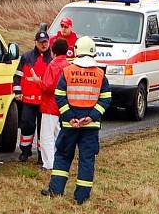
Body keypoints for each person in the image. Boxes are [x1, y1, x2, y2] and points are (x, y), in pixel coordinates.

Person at [41, 36, 111, 204]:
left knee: (63, 156)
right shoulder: (100, 74)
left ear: (77, 51)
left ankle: (55, 190)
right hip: (90, 126)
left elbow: (59, 96)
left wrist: (70, 117)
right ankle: (82, 197)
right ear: (93, 52)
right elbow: (106, 98)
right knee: (87, 159)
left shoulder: (68, 71)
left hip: (69, 124)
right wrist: (91, 116)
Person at [13, 30, 52, 162]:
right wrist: (17, 92)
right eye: (41, 43)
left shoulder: (52, 59)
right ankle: (25, 151)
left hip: (45, 101)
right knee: (27, 125)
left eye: (45, 42)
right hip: (29, 100)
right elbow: (17, 76)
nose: (43, 45)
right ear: (35, 43)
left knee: (44, 129)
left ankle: (42, 155)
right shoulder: (26, 57)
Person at [33, 38, 71, 171]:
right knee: (58, 134)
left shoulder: (53, 65)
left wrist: (38, 81)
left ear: (53, 51)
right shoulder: (68, 66)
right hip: (63, 104)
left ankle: (49, 164)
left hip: (50, 105)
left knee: (46, 136)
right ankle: (60, 159)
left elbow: (47, 86)